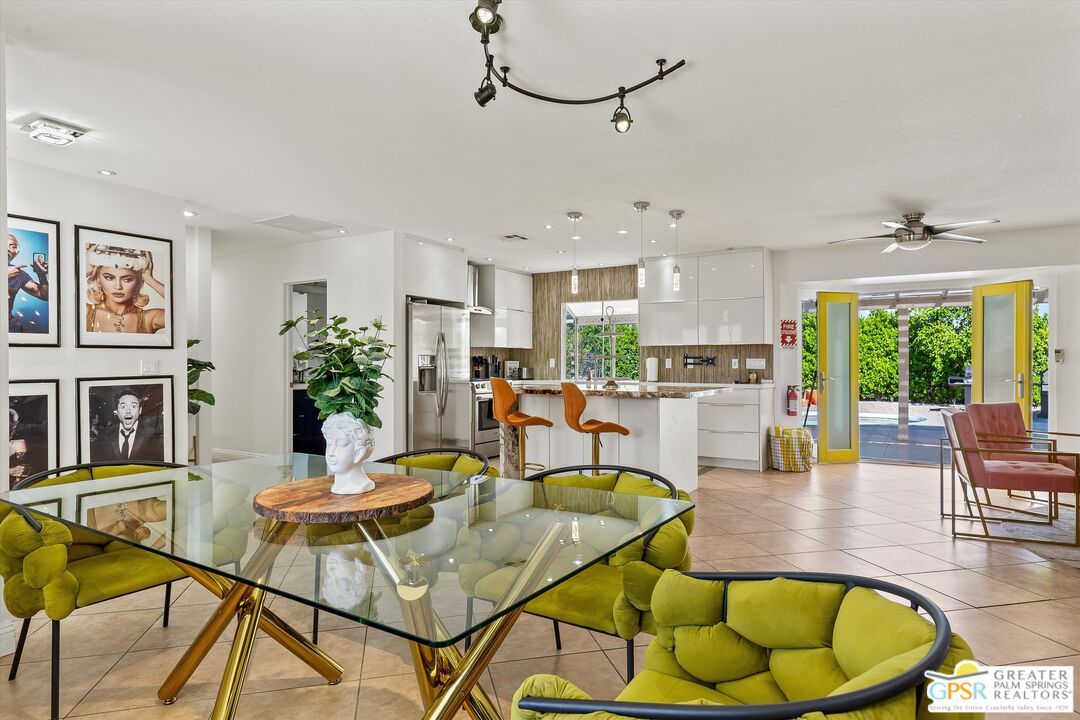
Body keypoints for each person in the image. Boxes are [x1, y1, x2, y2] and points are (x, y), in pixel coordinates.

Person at [84, 244, 166, 334]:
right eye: (109, 278)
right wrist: (85, 270)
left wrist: (149, 279)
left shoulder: (149, 318)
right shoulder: (85, 313)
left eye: (127, 279)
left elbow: (182, 311)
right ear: (98, 280)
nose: (118, 286)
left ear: (139, 282)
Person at [90, 389, 164, 462]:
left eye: (133, 406)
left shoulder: (152, 435)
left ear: (140, 410)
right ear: (116, 411)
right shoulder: (104, 435)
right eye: (123, 407)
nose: (128, 411)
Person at [7, 233, 49, 333]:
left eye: (13, 246)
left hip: (8, 323)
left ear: (16, 252)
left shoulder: (18, 273)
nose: (8, 249)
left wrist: (42, 275)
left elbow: (44, 295)